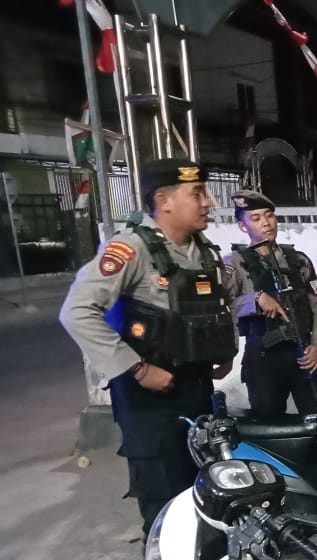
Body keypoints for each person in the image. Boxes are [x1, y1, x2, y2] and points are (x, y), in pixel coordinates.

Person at [59, 158, 238, 533]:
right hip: (150, 401)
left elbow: (217, 306)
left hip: (197, 390)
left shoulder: (203, 250)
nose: (208, 202)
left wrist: (224, 351)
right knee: (164, 501)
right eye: (197, 193)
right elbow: (76, 312)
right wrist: (138, 369)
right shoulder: (132, 249)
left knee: (201, 491)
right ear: (164, 200)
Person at [222, 190, 317, 494]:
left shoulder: (298, 260)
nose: (266, 223)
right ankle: (278, 494)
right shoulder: (235, 264)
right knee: (270, 429)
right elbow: (222, 306)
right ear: (242, 226)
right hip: (263, 359)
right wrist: (255, 299)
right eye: (256, 218)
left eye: (269, 216)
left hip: (303, 355)